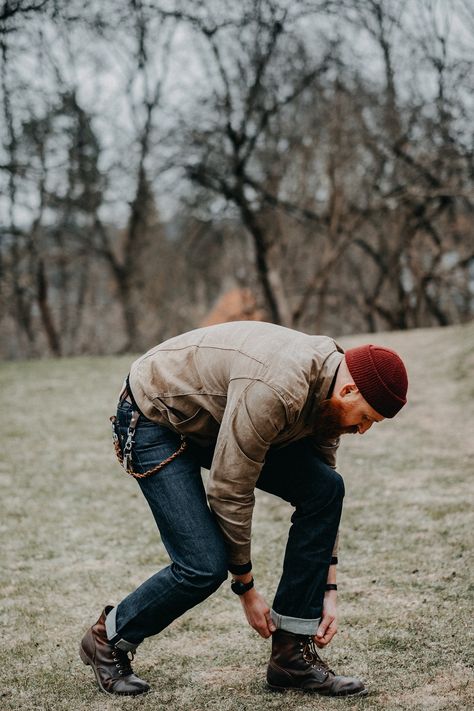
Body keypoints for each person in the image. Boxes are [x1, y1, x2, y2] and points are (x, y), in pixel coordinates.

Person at [79, 320, 408, 697]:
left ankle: (292, 658)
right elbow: (230, 489)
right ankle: (107, 637)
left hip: (217, 415)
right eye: (365, 417)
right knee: (203, 565)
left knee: (326, 488)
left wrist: (328, 589)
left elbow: (323, 489)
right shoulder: (277, 390)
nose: (362, 429)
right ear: (349, 389)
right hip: (156, 414)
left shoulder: (331, 395)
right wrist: (246, 589)